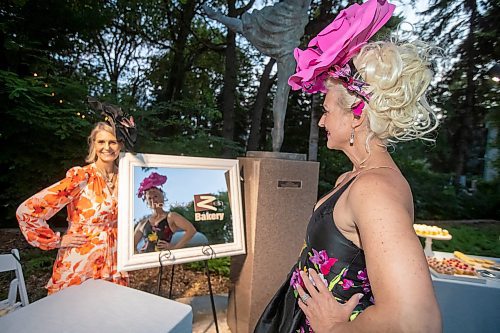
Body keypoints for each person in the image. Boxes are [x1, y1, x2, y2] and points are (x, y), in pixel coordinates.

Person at [254, 0, 442, 332]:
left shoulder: (375, 190)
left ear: (357, 115)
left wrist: (337, 329)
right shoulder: (353, 178)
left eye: (326, 110)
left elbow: (417, 322)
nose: (322, 120)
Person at [16, 99, 136, 295]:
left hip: (115, 261)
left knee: (109, 318)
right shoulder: (81, 177)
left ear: (120, 145)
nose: (107, 147)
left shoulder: (127, 177)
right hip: (82, 260)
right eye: (101, 142)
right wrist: (57, 240)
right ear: (93, 145)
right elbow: (27, 211)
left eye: (112, 141)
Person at [134, 172, 196, 253]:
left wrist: (174, 248)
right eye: (149, 198)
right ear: (147, 202)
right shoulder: (142, 224)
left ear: (162, 197)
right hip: (147, 263)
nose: (153, 200)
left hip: (165, 262)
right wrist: (138, 255)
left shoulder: (171, 217)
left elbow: (191, 230)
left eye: (156, 196)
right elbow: (130, 247)